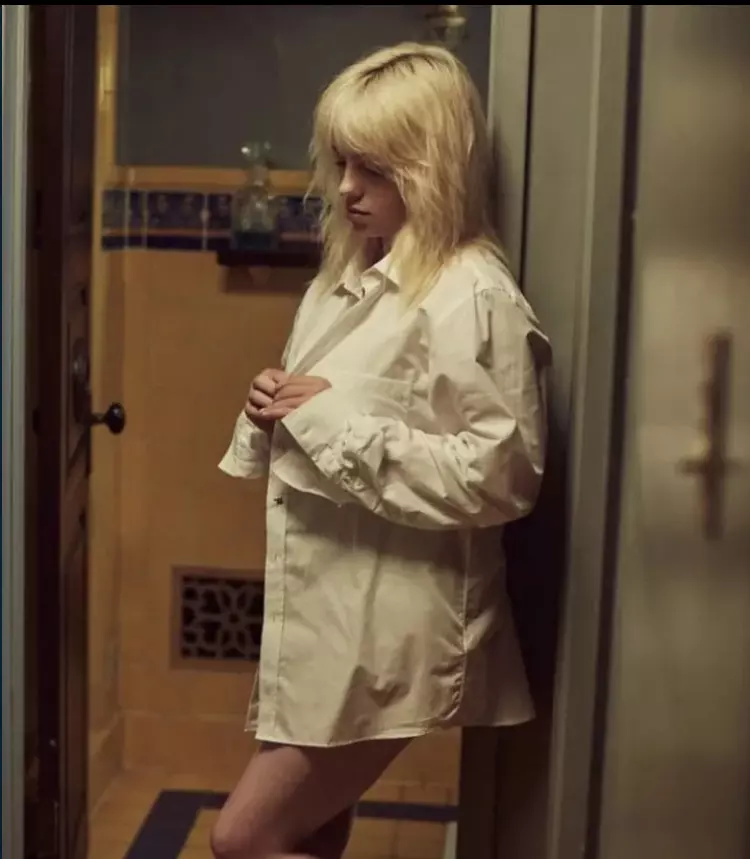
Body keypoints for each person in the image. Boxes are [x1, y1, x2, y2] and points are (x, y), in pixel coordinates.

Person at [211, 41, 551, 859]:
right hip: (330, 621)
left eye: (374, 168)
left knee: (243, 839)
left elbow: (503, 476)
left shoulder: (472, 296)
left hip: (395, 632)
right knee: (309, 829)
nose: (347, 189)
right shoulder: (347, 278)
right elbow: (324, 416)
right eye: (342, 163)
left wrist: (327, 421)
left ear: (431, 167)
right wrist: (272, 409)